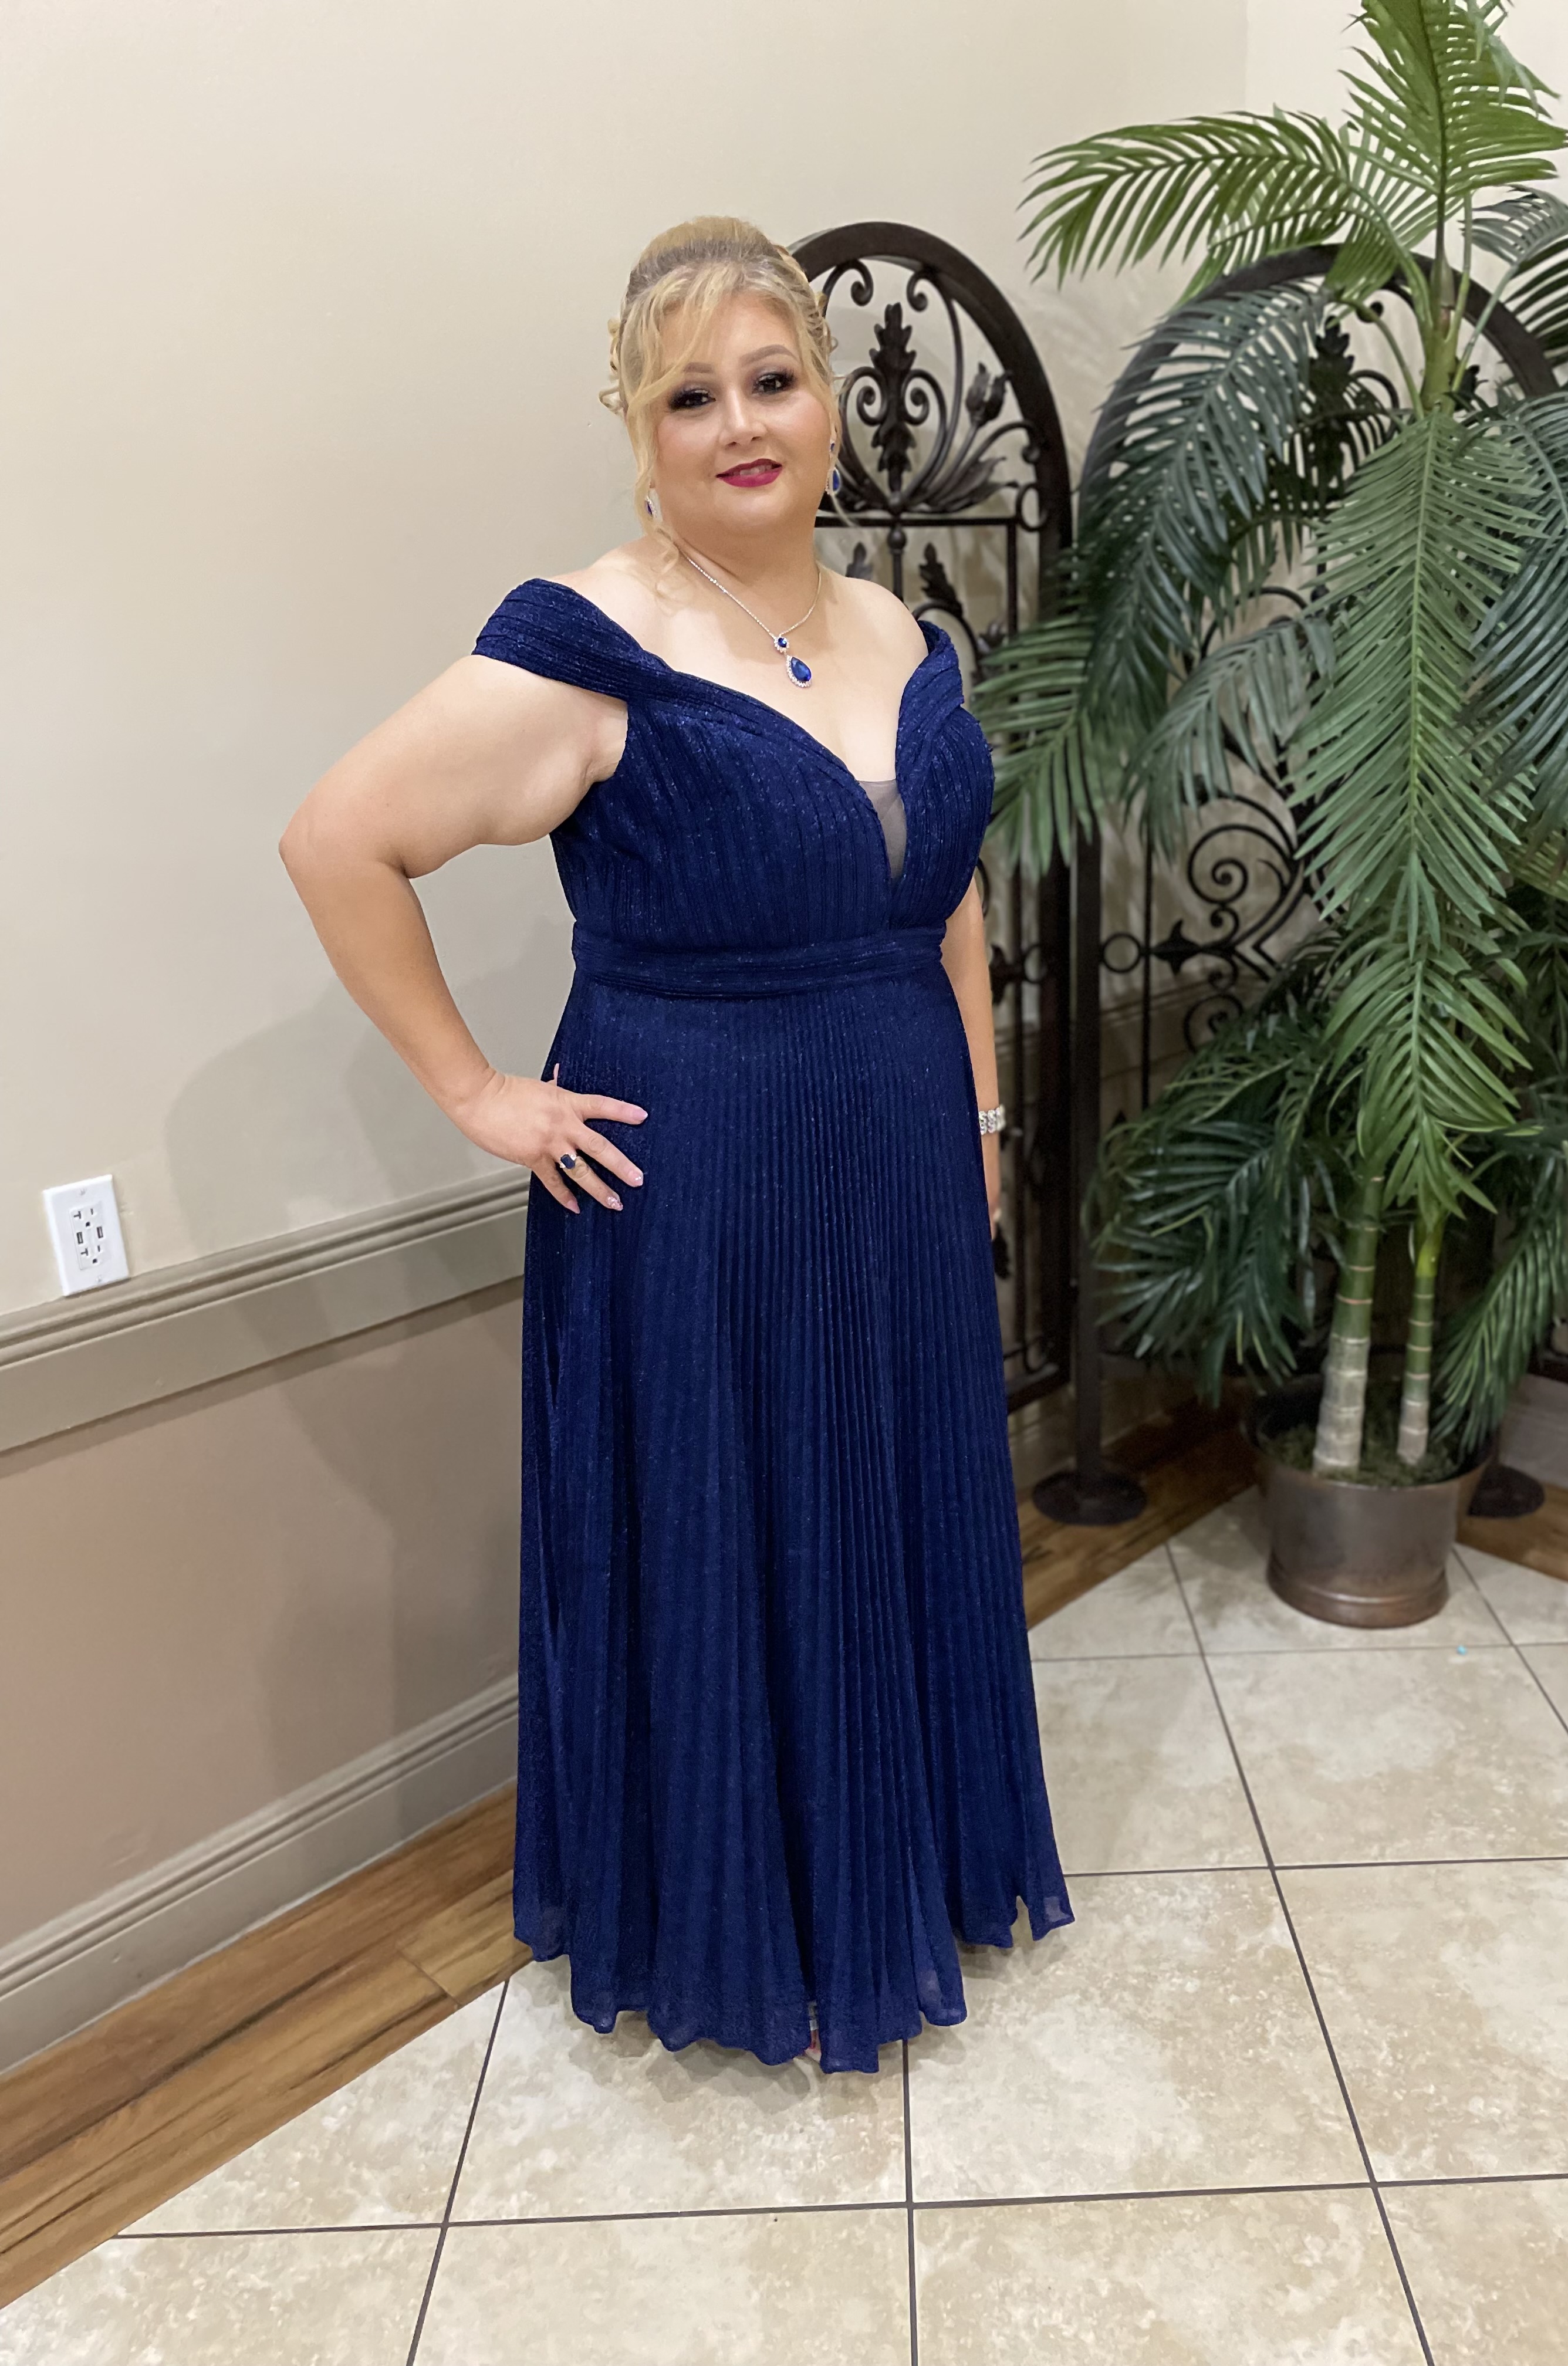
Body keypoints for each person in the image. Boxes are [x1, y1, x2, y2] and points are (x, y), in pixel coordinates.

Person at [279, 215, 1072, 2075]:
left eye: (771, 381)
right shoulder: (589, 648)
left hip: (898, 1144)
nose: (741, 424)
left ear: (828, 403)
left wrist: (977, 1111)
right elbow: (338, 840)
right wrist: (480, 1094)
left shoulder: (900, 631)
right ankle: (740, 1917)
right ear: (640, 433)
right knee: (733, 1525)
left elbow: (944, 895)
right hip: (696, 1177)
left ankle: (899, 1865)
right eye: (690, 395)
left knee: (885, 1500)